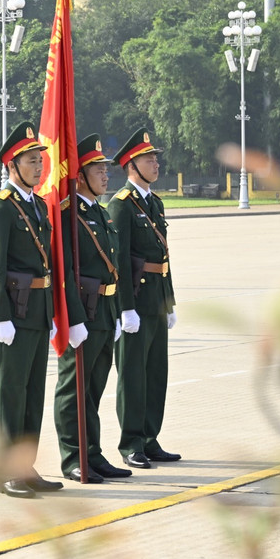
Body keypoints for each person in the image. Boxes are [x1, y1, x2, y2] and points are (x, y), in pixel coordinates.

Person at [0, 121, 63, 499]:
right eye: (31, 161)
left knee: (32, 396)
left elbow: (46, 265)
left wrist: (50, 314)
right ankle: (7, 473)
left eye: (40, 161)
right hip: (13, 314)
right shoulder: (0, 209)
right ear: (12, 165)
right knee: (11, 396)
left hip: (37, 313)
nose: (39, 167)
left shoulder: (37, 205)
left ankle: (26, 466)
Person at [54, 135, 131, 483]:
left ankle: (93, 453)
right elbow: (65, 271)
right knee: (73, 389)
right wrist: (73, 319)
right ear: (80, 175)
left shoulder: (100, 211)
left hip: (104, 311)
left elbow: (112, 267)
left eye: (105, 169)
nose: (105, 175)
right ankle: (73, 456)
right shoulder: (69, 215)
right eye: (98, 169)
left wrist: (115, 313)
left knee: (93, 390)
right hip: (83, 313)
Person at [109, 127, 180, 470]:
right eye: (149, 159)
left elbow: (164, 258)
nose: (156, 164)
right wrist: (125, 309)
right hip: (135, 302)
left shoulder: (154, 202)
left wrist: (170, 301)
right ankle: (131, 443)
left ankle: (150, 438)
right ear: (131, 166)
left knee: (156, 374)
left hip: (156, 301)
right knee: (133, 376)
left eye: (155, 159)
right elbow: (120, 261)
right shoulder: (121, 205)